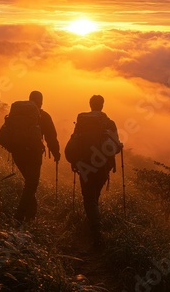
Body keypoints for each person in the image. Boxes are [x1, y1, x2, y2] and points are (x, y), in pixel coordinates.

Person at [71, 95, 121, 246]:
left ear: (90, 104)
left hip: (84, 165)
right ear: (102, 105)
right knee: (94, 197)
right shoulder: (109, 123)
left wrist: (74, 160)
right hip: (102, 166)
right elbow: (116, 147)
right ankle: (95, 229)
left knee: (89, 198)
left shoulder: (81, 121)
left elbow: (75, 141)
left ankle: (95, 230)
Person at [13, 91, 60, 223]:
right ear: (41, 102)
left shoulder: (18, 113)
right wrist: (56, 153)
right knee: (31, 184)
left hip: (17, 153)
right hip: (33, 154)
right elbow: (51, 137)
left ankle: (30, 215)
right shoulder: (44, 116)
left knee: (30, 183)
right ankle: (19, 216)